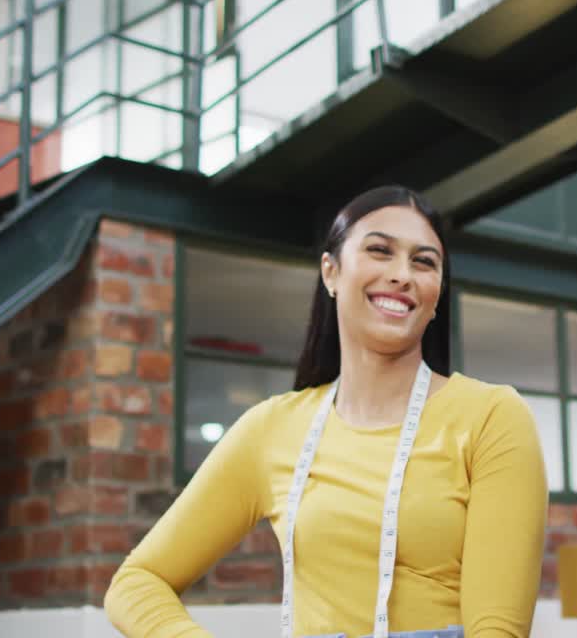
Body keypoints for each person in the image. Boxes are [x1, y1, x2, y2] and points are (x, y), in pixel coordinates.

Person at [105, 186, 549, 638]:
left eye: (424, 262)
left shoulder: (491, 418)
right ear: (331, 272)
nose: (402, 274)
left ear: (437, 295)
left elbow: (497, 631)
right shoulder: (272, 429)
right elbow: (137, 582)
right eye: (380, 250)